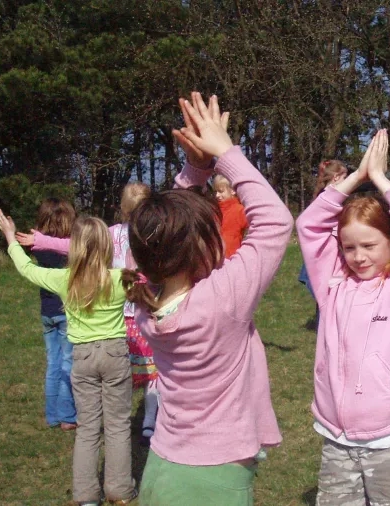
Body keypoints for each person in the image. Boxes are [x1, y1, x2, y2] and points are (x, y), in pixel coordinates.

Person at [124, 92, 292, 505]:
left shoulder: (147, 302)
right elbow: (276, 222)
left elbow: (154, 234)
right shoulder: (222, 300)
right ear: (200, 248)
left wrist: (195, 170)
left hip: (163, 466)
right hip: (216, 479)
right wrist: (224, 152)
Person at [297, 129, 390, 505]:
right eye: (348, 247)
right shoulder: (332, 287)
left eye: (369, 245)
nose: (358, 256)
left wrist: (381, 182)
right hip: (338, 440)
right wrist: (353, 179)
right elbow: (308, 227)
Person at [0, 211, 135, 505]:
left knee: (87, 427)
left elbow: (27, 269)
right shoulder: (121, 279)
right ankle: (119, 491)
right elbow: (153, 280)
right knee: (118, 425)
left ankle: (85, 496)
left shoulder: (64, 279)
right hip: (115, 355)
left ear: (75, 248)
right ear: (107, 248)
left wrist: (10, 237)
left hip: (82, 358)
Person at [17, 182, 161, 445]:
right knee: (154, 372)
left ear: (123, 208)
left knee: (124, 374)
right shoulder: (156, 234)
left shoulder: (112, 232)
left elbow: (72, 245)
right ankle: (149, 423)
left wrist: (39, 240)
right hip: (148, 311)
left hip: (121, 316)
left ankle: (119, 419)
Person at [30, 198, 78, 431]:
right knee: (68, 364)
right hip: (66, 311)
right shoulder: (69, 247)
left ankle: (52, 415)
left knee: (53, 364)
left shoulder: (38, 248)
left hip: (47, 311)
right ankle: (68, 416)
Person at [298, 159, 349, 327]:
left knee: (325, 288)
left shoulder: (328, 193)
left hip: (326, 248)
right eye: (345, 178)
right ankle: (326, 323)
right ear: (335, 177)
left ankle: (325, 321)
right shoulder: (329, 196)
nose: (348, 182)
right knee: (325, 290)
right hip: (326, 248)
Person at [213, 173, 249, 257]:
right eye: (216, 191)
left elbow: (253, 229)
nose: (217, 195)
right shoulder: (215, 211)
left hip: (232, 258)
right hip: (214, 258)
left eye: (221, 191)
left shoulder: (239, 210)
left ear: (232, 191)